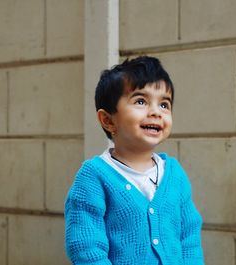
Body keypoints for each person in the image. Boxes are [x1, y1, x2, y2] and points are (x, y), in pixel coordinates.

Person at [64, 56, 204, 264]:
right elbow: (86, 247)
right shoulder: (94, 176)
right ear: (108, 120)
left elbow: (189, 237)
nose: (156, 112)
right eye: (141, 101)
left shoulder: (174, 174)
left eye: (164, 104)